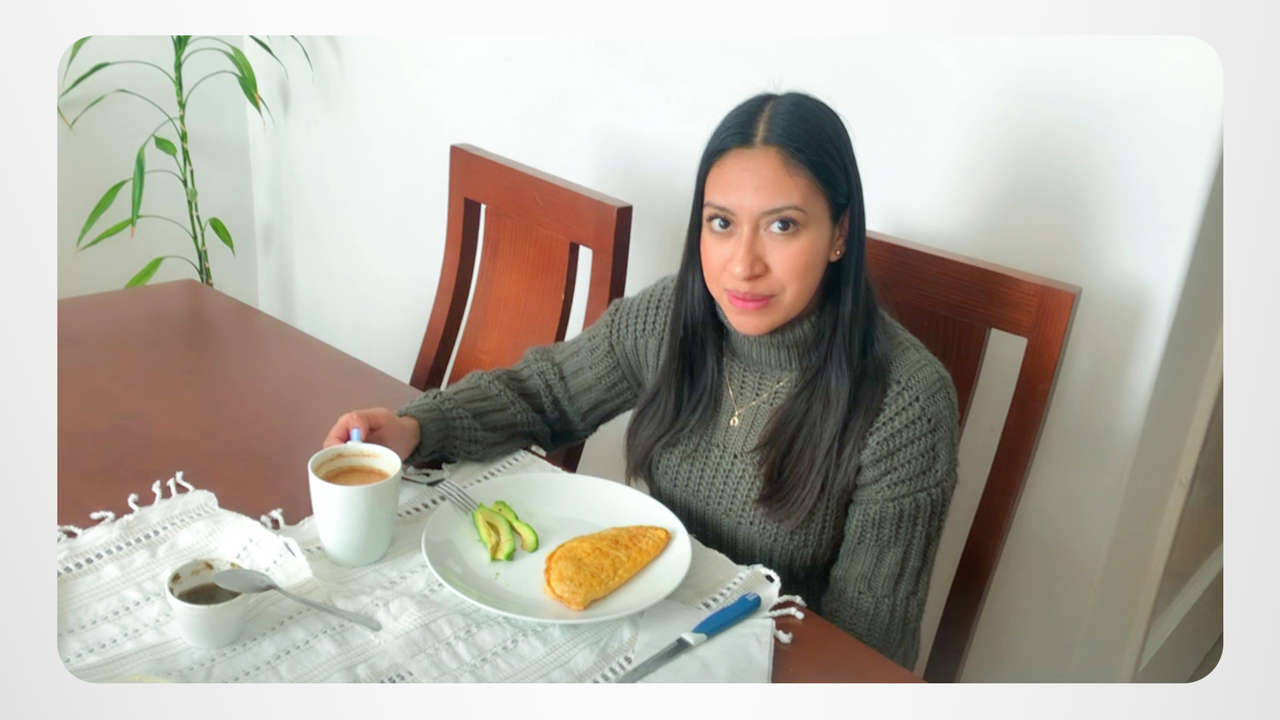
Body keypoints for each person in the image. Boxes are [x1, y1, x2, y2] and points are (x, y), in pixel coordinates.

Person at [324, 91, 959, 669]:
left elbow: (868, 650)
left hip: (765, 666)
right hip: (634, 632)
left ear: (840, 234)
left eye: (782, 225)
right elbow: (546, 392)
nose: (743, 264)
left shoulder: (906, 403)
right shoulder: (673, 316)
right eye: (721, 222)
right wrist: (415, 427)